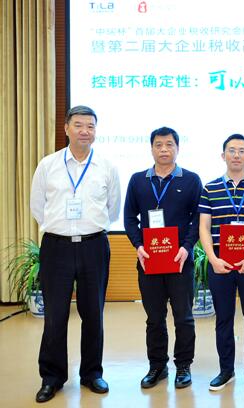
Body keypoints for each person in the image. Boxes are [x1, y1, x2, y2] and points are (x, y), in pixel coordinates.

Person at [30, 105, 121, 403]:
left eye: (90, 126)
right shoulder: (48, 165)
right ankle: (52, 377)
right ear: (67, 128)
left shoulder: (106, 167)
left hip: (94, 246)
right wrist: (61, 229)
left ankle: (92, 373)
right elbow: (37, 207)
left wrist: (88, 228)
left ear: (95, 131)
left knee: (93, 314)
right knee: (55, 315)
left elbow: (113, 209)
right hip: (56, 247)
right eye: (79, 125)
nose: (85, 131)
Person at [123, 127, 202, 390]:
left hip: (180, 261)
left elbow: (197, 219)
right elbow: (129, 218)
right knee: (154, 318)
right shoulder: (138, 180)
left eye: (169, 144)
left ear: (178, 148)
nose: (164, 149)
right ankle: (157, 366)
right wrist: (138, 245)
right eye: (159, 144)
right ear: (152, 148)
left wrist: (187, 247)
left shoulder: (191, 180)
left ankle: (183, 366)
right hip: (149, 261)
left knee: (184, 317)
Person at [199, 134, 244, 392]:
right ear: (223, 155)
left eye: (242, 151)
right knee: (223, 319)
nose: (236, 155)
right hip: (220, 263)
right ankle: (226, 370)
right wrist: (213, 259)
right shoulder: (210, 188)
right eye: (231, 150)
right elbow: (204, 227)